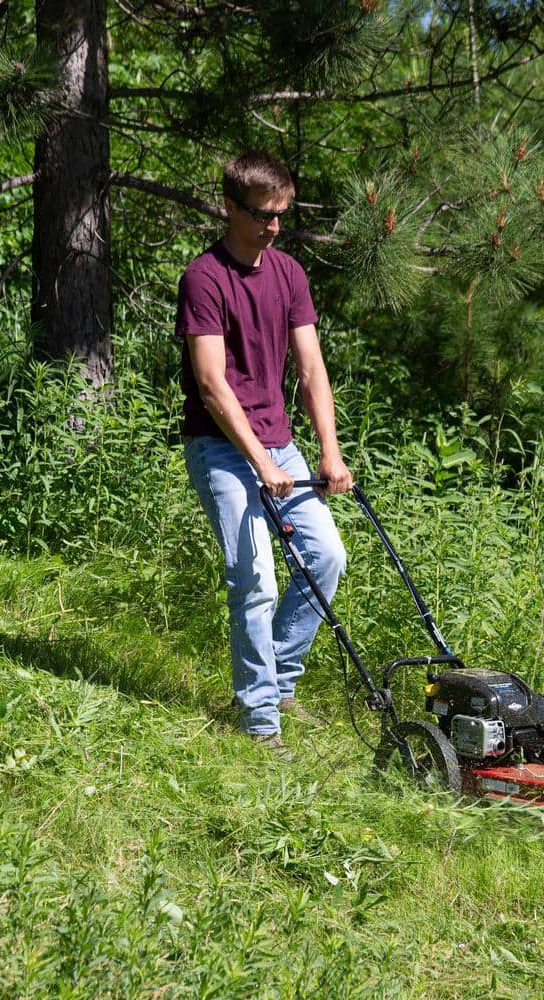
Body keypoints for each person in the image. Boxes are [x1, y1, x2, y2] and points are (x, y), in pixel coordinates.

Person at [176, 150, 352, 757]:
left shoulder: (289, 275)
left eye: (282, 214)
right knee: (254, 578)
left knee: (327, 557)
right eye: (263, 215)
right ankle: (260, 721)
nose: (275, 226)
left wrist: (328, 453)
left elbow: (310, 369)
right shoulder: (204, 278)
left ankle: (275, 682)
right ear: (230, 207)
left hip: (279, 443)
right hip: (220, 446)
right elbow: (210, 384)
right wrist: (260, 462)